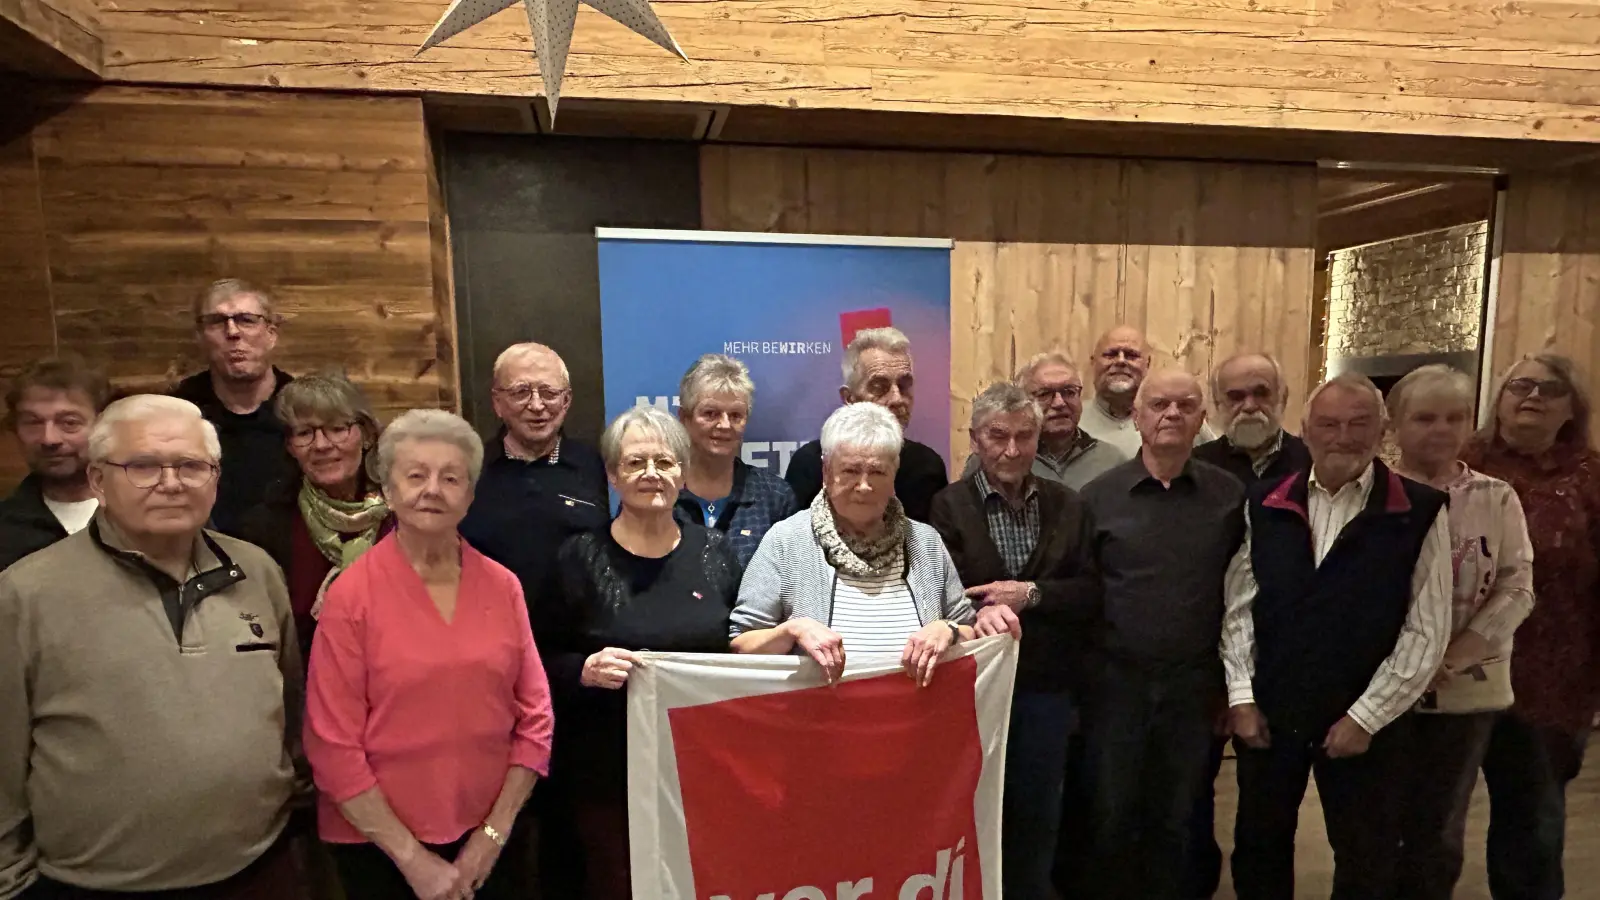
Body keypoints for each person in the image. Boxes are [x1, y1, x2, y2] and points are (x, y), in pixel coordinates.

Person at [0, 395, 308, 898]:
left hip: (258, 867)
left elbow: (289, 707)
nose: (171, 483)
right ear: (98, 480)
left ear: (215, 478)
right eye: (143, 466)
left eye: (191, 466)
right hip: (96, 884)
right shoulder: (26, 593)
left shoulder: (257, 571)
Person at [304, 409, 553, 900]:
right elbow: (331, 745)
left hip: (489, 839)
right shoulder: (351, 595)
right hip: (378, 847)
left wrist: (493, 834)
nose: (433, 490)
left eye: (451, 478)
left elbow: (536, 719)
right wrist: (413, 861)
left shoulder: (503, 586)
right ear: (388, 490)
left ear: (471, 494)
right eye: (416, 476)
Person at [1222, 372, 1452, 900]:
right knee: (1258, 845)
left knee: (1366, 853)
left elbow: (1427, 629)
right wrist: (1241, 697)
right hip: (1273, 709)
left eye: (1358, 423)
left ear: (1382, 430)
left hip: (1366, 714)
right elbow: (1239, 608)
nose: (1343, 437)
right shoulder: (1265, 501)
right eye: (1328, 424)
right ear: (1305, 431)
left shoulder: (1418, 510)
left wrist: (1366, 717)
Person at [546, 406, 742, 900]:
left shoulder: (716, 553)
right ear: (613, 476)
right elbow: (539, 660)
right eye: (635, 462)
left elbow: (741, 646)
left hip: (703, 768)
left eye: (665, 461)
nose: (651, 473)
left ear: (683, 472)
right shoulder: (578, 557)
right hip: (608, 776)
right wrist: (584, 670)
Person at [1075, 369, 1244, 900]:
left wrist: (1231, 689)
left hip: (1194, 687)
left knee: (1181, 815)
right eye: (1159, 405)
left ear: (1202, 419)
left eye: (1185, 405)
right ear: (1137, 417)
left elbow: (1241, 599)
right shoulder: (1097, 498)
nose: (1172, 413)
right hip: (1116, 686)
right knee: (1110, 812)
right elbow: (1082, 594)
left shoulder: (1229, 497)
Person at [930, 382, 1098, 900]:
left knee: (1038, 814)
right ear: (975, 439)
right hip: (973, 692)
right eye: (997, 436)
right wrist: (983, 611)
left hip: (1046, 691)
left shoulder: (1069, 505)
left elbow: (1090, 592)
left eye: (1024, 436)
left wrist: (1032, 593)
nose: (1011, 450)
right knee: (970, 811)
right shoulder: (947, 506)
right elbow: (942, 592)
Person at [456, 342, 607, 896]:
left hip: (577, 675)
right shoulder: (469, 470)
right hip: (489, 678)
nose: (537, 405)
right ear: (497, 401)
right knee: (499, 826)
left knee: (573, 831)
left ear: (568, 400)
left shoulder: (596, 467)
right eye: (521, 392)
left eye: (549, 392)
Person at [1386, 364, 1534, 900]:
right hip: (1382, 687)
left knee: (1439, 824)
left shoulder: (1496, 497)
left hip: (1466, 689)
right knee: (1376, 821)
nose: (1441, 429)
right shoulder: (1374, 492)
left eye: (1454, 417)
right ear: (1395, 425)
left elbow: (1517, 585)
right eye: (1425, 418)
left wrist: (1454, 655)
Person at [736, 402, 1016, 682]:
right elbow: (741, 645)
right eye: (850, 471)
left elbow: (968, 629)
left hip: (917, 708)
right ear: (826, 471)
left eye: (878, 472)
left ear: (895, 473)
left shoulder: (926, 543)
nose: (864, 486)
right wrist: (792, 631)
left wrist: (948, 630)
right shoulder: (786, 541)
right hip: (817, 708)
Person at [1462, 353, 1600, 900]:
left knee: (1533, 826)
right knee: (1433, 817)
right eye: (1521, 385)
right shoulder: (1462, 462)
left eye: (1550, 389)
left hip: (1552, 680)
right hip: (1458, 669)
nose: (1533, 396)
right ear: (1499, 399)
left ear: (1572, 409)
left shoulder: (1591, 477)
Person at [1185, 350, 1311, 899]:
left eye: (1261, 392)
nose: (1249, 405)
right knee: (1191, 802)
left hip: (1282, 669)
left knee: (1268, 817)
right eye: (1235, 396)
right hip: (1200, 665)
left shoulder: (1313, 463)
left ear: (1283, 398)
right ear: (1217, 404)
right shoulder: (1195, 468)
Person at [236, 373, 392, 660]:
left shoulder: (403, 515)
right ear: (290, 446)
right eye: (304, 433)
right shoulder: (264, 527)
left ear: (367, 436)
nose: (321, 445)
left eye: (337, 428)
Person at [784, 327, 949, 522]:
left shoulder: (927, 467)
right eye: (879, 387)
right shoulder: (810, 464)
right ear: (849, 398)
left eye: (904, 386)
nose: (897, 398)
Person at [173, 278, 296, 535]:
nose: (232, 332)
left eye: (247, 320)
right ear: (200, 337)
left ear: (271, 334)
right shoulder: (178, 411)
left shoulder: (302, 409)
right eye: (216, 322)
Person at [673, 353, 799, 565]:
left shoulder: (775, 498)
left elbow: (792, 576)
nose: (724, 425)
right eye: (710, 413)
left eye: (735, 416)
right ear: (684, 418)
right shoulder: (660, 493)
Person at [0, 355, 110, 570]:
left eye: (69, 422)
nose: (49, 439)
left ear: (103, 425)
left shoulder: (143, 513)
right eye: (32, 422)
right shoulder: (5, 530)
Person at [961, 352, 1127, 489]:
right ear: (1022, 401)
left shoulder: (1112, 460)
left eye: (1069, 392)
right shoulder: (991, 460)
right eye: (1044, 394)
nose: (1059, 403)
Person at [1078, 326, 1216, 456]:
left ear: (1148, 363)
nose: (1121, 361)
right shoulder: (1074, 420)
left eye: (1131, 355)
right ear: (1093, 362)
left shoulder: (1181, 419)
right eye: (1111, 354)